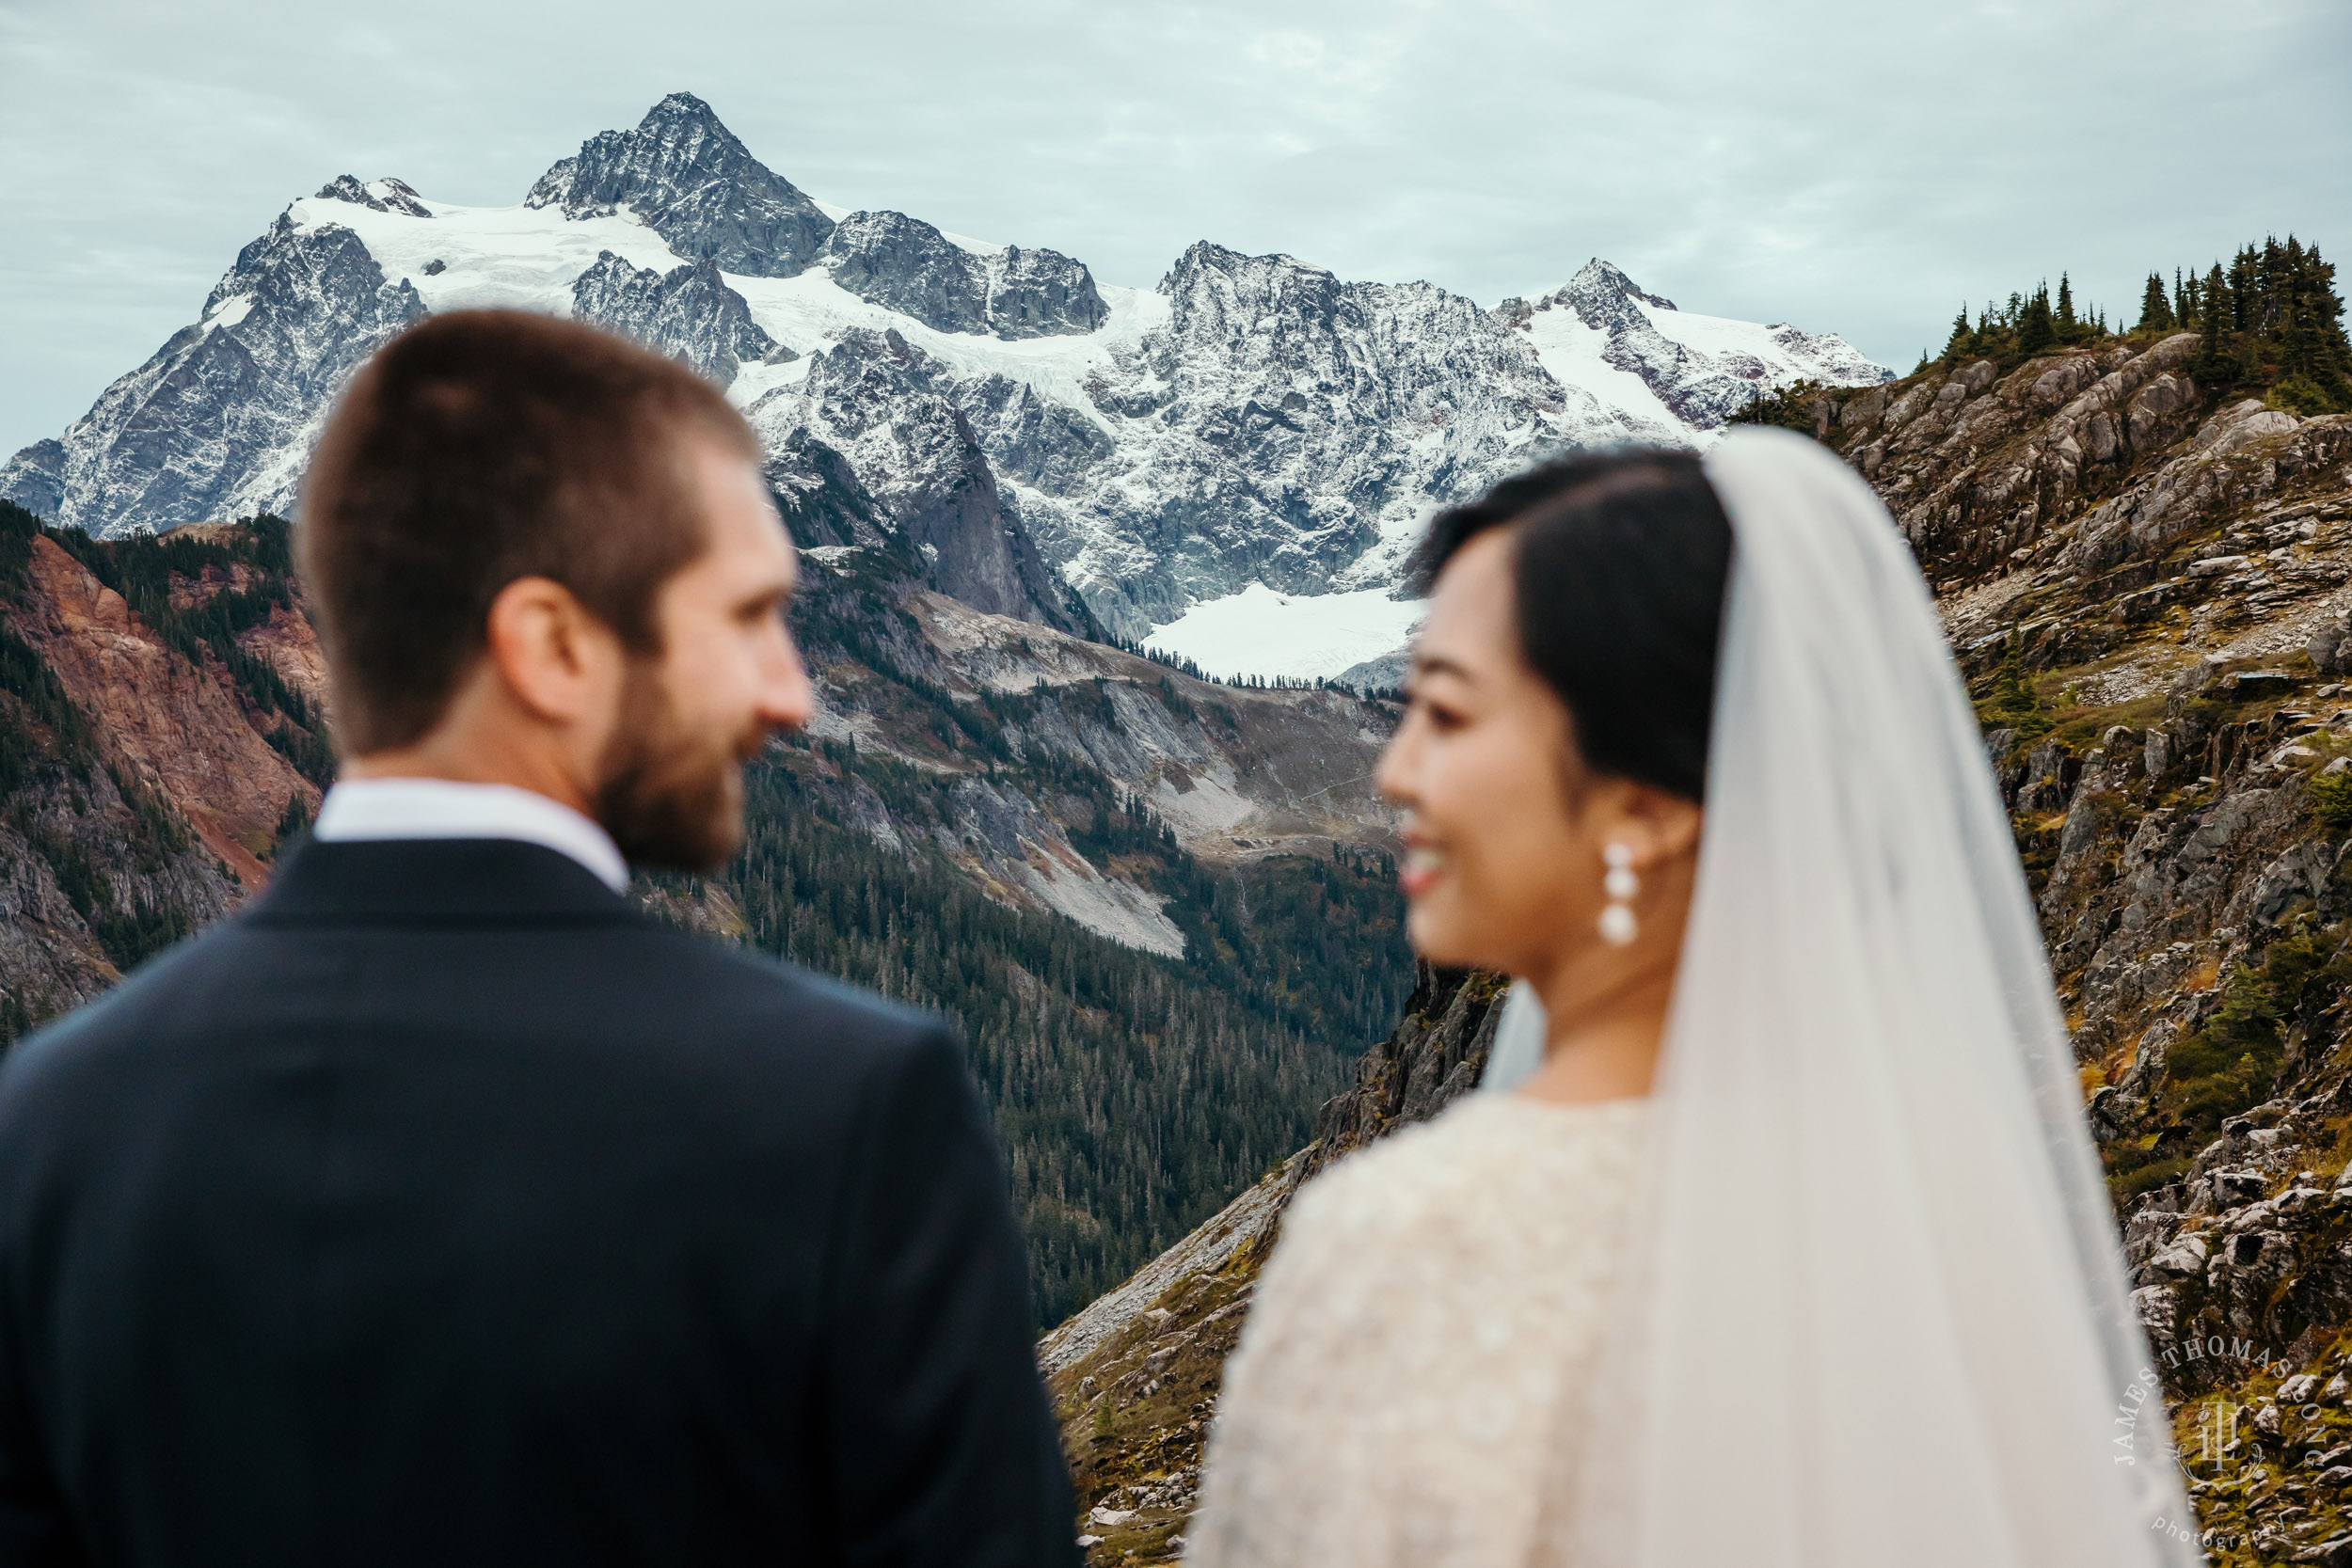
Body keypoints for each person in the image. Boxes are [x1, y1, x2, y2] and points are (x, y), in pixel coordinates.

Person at [0, 311, 1079, 1568]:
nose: (789, 691)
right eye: (744, 617)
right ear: (554, 646)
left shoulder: (49, 1124)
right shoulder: (848, 1111)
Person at [1186, 432, 2201, 1567]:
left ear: (1646, 805)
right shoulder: (1941, 1223)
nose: (1393, 770)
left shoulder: (1410, 1240)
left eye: (1449, 713)